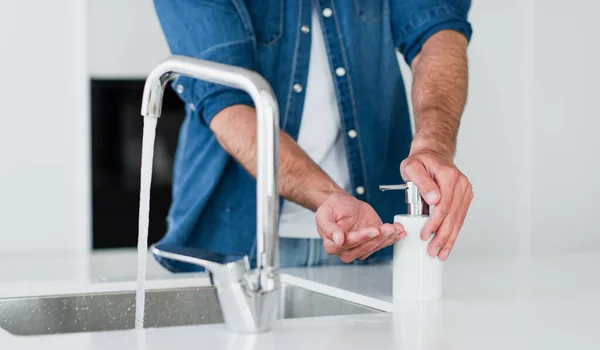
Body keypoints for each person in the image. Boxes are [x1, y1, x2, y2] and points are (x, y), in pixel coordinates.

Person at [152, 0, 474, 271]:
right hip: (231, 246)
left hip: (373, 240)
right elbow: (229, 105)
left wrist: (433, 145)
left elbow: (437, 29)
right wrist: (326, 197)